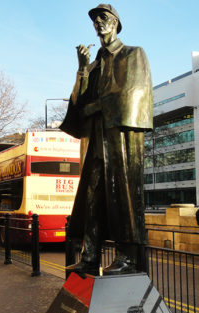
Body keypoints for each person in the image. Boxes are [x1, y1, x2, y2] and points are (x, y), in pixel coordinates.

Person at [60, 4, 153, 275]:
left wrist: (96, 107)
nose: (98, 23)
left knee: (123, 193)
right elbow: (77, 103)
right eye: (95, 20)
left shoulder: (133, 54)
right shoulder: (91, 67)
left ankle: (128, 256)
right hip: (96, 140)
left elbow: (132, 94)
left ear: (115, 23)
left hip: (118, 138)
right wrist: (81, 70)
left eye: (104, 18)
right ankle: (90, 255)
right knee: (92, 195)